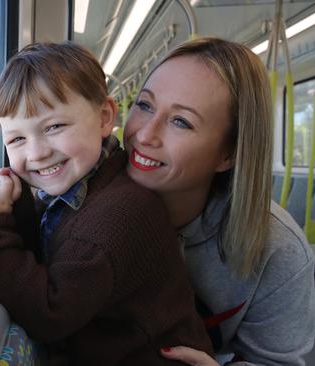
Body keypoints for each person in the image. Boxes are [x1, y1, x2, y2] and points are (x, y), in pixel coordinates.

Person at [0, 42, 213, 365]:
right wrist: (14, 206)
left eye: (54, 127)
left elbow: (51, 314)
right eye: (17, 139)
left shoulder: (117, 215)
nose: (36, 153)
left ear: (105, 117)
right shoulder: (85, 189)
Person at [123, 37, 315, 365]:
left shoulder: (279, 250)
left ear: (228, 154)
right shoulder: (76, 198)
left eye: (180, 121)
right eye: (144, 105)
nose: (144, 135)